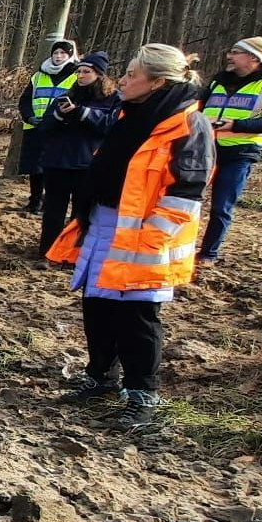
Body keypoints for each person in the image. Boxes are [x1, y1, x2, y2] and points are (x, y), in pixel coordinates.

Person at [46, 43, 212, 428]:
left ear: (157, 82)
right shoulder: (128, 114)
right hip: (107, 223)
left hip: (146, 237)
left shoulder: (189, 124)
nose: (122, 80)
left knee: (138, 316)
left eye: (132, 74)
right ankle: (100, 377)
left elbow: (187, 190)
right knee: (98, 305)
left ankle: (142, 394)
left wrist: (153, 236)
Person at [197, 36, 262, 267]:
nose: (228, 56)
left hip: (240, 153)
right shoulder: (217, 81)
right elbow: (197, 107)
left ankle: (208, 255)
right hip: (205, 149)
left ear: (253, 58)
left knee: (221, 206)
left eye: (235, 52)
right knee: (188, 200)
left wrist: (236, 125)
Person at [33, 52, 120, 257]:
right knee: (53, 212)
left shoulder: (113, 99)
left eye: (86, 72)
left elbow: (112, 126)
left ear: (99, 74)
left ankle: (74, 253)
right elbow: (45, 127)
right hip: (57, 162)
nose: (80, 76)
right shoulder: (67, 96)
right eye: (79, 71)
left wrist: (82, 113)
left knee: (82, 213)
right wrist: (59, 115)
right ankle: (48, 251)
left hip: (89, 164)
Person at [19, 39, 81, 213]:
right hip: (35, 128)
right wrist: (29, 117)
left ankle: (49, 202)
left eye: (63, 53)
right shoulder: (38, 76)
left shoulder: (76, 76)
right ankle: (34, 201)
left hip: (60, 129)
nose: (58, 56)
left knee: (53, 168)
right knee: (35, 168)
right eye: (55, 53)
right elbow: (25, 100)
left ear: (70, 55)